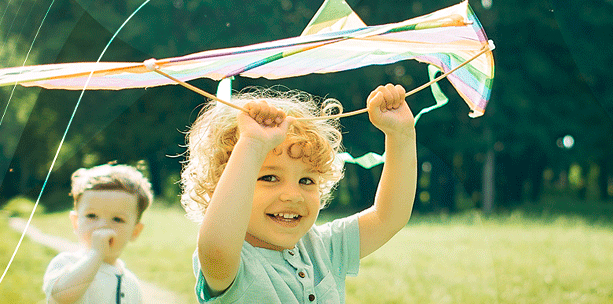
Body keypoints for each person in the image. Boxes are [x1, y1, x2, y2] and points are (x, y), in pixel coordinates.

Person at [180, 84, 416, 303]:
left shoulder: (323, 247)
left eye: (306, 180)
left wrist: (401, 135)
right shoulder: (231, 262)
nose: (293, 195)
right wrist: (251, 144)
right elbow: (216, 246)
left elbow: (388, 217)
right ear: (221, 187)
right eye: (269, 177)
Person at [43, 163, 154, 304]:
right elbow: (61, 297)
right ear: (76, 222)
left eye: (117, 219)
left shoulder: (131, 282)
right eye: (92, 216)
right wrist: (96, 254)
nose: (102, 226)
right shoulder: (66, 263)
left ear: (135, 231)